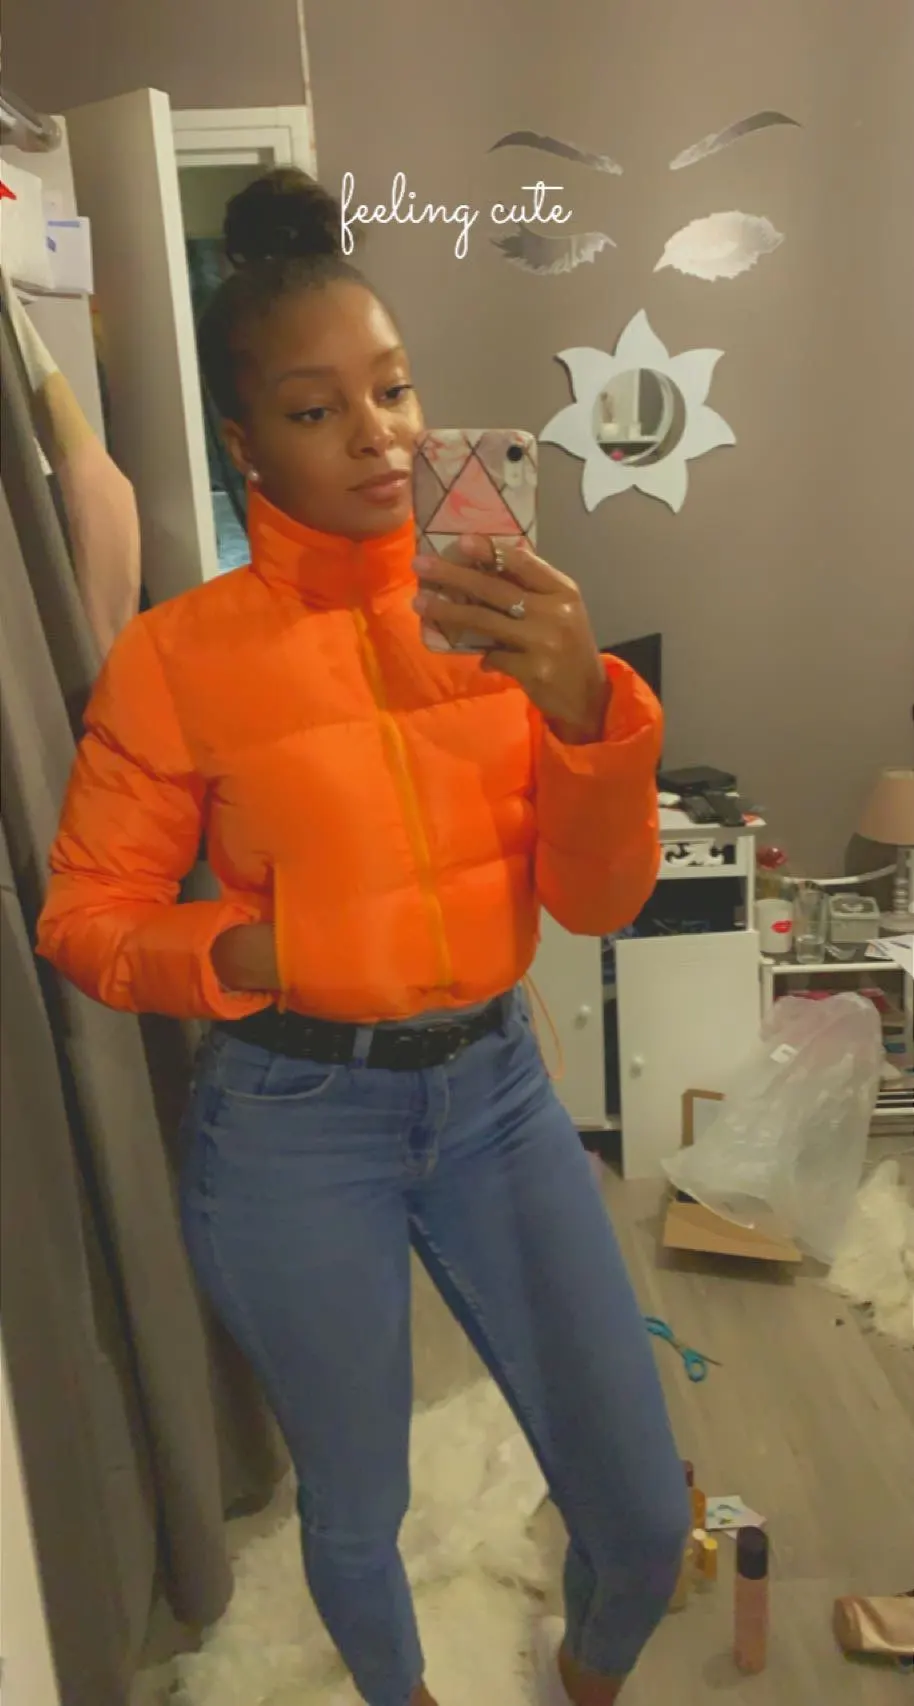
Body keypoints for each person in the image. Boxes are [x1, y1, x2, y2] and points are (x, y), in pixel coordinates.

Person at [37, 169, 689, 1706]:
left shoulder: (502, 615)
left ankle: (584, 1674)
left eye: (393, 391)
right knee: (354, 1505)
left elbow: (597, 903)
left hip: (498, 1098)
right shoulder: (177, 660)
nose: (379, 435)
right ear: (242, 442)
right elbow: (86, 918)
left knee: (643, 1512)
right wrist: (248, 954)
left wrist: (586, 711)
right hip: (291, 1121)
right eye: (316, 409)